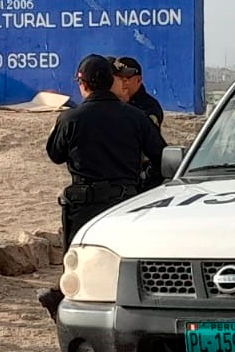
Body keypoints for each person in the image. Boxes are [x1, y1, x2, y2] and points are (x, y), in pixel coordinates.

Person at [38, 55, 166, 321]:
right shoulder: (135, 116)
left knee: (81, 265)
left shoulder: (71, 118)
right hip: (125, 204)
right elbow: (161, 155)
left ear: (83, 84)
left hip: (84, 206)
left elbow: (55, 154)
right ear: (111, 82)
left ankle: (72, 311)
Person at [111, 56, 164, 127]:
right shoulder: (111, 99)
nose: (123, 82)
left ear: (138, 80)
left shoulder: (150, 106)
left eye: (127, 78)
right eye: (119, 78)